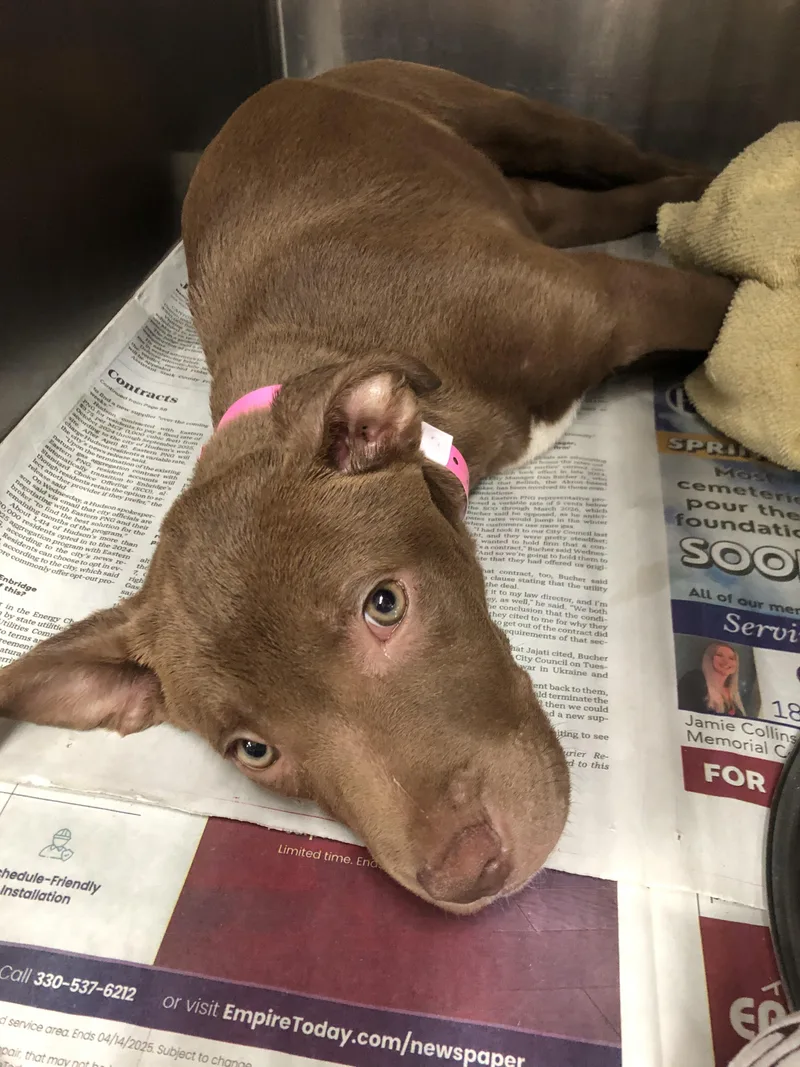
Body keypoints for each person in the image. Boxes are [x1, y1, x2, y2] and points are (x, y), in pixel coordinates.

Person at [678, 642, 747, 717]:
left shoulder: (732, 694)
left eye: (731, 658)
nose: (726, 661)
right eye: (719, 655)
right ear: (709, 658)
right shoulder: (694, 680)